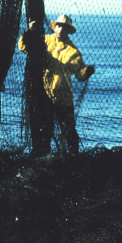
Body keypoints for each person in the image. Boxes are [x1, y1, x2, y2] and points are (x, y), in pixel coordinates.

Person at [18, 15, 95, 155]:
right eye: (58, 26)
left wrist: (87, 72)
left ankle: (74, 157)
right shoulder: (44, 40)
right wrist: (28, 31)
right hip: (44, 95)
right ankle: (44, 157)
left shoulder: (73, 52)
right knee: (44, 130)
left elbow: (80, 75)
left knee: (68, 131)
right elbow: (23, 47)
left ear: (68, 30)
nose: (60, 29)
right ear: (55, 27)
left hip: (63, 98)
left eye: (64, 27)